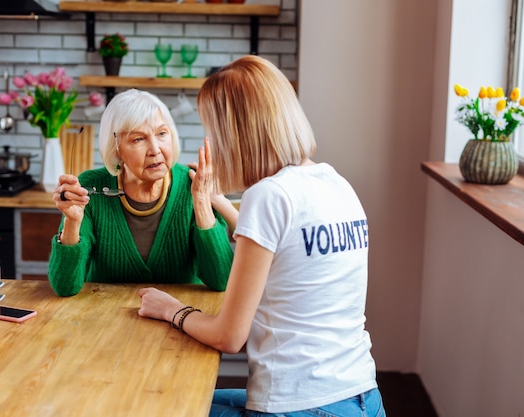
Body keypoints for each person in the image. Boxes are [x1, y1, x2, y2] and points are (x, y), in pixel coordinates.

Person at [137, 56, 385, 416]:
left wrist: (172, 310)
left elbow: (229, 336)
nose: (212, 143)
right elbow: (281, 248)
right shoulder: (335, 183)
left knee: (155, 406)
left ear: (236, 134)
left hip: (301, 405)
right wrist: (217, 201)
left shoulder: (267, 195)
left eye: (214, 131)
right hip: (363, 398)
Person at [48, 88, 235, 297]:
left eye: (162, 134)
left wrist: (200, 201)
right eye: (138, 139)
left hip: (180, 320)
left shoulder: (193, 186)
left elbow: (222, 280)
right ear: (116, 148)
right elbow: (65, 287)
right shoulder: (89, 186)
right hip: (105, 322)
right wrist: (72, 223)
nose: (155, 149)